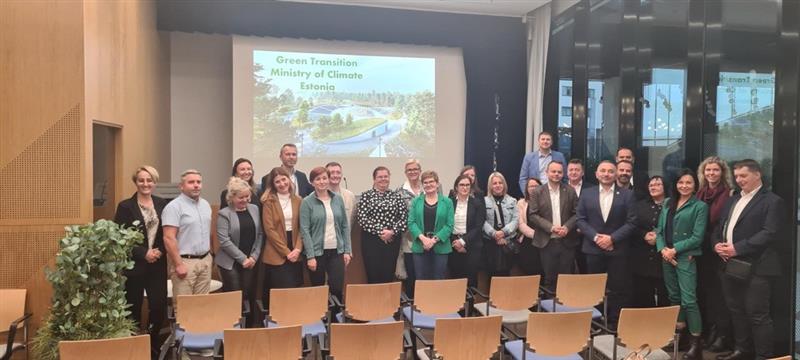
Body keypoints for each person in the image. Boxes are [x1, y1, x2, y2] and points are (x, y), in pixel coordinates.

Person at [713, 160, 785, 360]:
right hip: (729, 266)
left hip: (758, 267)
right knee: (736, 311)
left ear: (757, 174)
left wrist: (738, 248)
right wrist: (717, 244)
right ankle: (741, 351)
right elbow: (721, 227)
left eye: (743, 176)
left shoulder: (772, 201)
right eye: (736, 176)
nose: (739, 180)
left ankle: (764, 356)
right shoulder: (733, 199)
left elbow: (769, 233)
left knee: (758, 315)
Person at [113, 166, 168, 359]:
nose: (146, 184)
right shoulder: (125, 206)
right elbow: (120, 237)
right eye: (141, 180)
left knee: (159, 306)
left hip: (158, 264)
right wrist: (143, 253)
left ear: (155, 182)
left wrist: (158, 251)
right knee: (133, 307)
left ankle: (152, 343)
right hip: (135, 266)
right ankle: (134, 347)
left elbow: (166, 234)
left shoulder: (162, 204)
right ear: (135, 182)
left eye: (149, 180)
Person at [576, 161, 636, 327]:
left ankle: (614, 324)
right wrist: (596, 238)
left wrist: (612, 239)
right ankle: (595, 322)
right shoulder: (587, 194)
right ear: (596, 174)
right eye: (603, 171)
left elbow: (632, 222)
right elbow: (580, 219)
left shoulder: (627, 195)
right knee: (594, 289)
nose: (606, 174)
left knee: (618, 288)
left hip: (618, 250)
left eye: (610, 171)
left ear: (615, 174)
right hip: (592, 249)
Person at [656, 170, 708, 360]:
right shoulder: (669, 203)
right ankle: (680, 338)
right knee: (674, 297)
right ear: (676, 184)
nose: (684, 186)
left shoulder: (700, 206)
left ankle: (696, 345)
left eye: (689, 182)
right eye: (681, 182)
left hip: (685, 258)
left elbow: (697, 237)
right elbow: (659, 230)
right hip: (666, 258)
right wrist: (662, 249)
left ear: (695, 185)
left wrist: (674, 249)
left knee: (689, 300)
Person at [695, 156, 734, 352]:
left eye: (715, 170)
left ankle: (722, 334)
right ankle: (710, 330)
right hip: (700, 251)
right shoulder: (700, 193)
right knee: (705, 294)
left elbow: (722, 223)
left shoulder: (729, 194)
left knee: (720, 296)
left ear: (722, 172)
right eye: (708, 170)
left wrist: (716, 243)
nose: (711, 173)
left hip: (717, 251)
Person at [215, 177, 263, 326]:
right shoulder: (224, 214)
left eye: (247, 196)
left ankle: (246, 332)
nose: (245, 200)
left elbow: (260, 234)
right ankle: (232, 332)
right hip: (230, 263)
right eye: (241, 197)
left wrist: (254, 257)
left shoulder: (254, 209)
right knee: (235, 299)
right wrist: (243, 259)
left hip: (250, 261)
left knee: (248, 296)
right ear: (232, 197)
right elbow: (224, 241)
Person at [300, 167, 352, 300]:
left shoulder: (338, 199)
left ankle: (335, 319)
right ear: (312, 183)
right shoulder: (307, 202)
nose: (322, 182)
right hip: (317, 253)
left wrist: (347, 250)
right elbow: (305, 230)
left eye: (324, 178)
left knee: (336, 288)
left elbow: (345, 226)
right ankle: (320, 319)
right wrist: (310, 256)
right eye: (318, 179)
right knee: (318, 290)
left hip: (337, 251)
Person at [528, 161, 579, 292]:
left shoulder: (570, 191)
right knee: (549, 279)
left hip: (566, 241)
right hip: (547, 241)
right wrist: (551, 227)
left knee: (566, 279)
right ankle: (549, 310)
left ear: (563, 174)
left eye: (559, 172)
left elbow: (577, 214)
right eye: (553, 171)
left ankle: (565, 309)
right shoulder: (537, 192)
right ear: (546, 173)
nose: (556, 174)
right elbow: (532, 215)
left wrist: (567, 227)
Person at [162, 169, 213, 299]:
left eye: (198, 182)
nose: (196, 185)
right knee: (184, 309)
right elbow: (168, 238)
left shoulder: (206, 205)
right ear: (181, 186)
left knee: (202, 306)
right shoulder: (173, 207)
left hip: (205, 261)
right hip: (185, 262)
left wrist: (210, 257)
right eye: (191, 182)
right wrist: (178, 264)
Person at [357, 166, 408, 284]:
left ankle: (387, 302)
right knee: (373, 274)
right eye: (380, 177)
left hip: (392, 240)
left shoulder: (396, 196)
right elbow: (362, 218)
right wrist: (380, 231)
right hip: (371, 241)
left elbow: (404, 218)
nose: (383, 179)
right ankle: (374, 302)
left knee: (388, 273)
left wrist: (391, 232)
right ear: (374, 179)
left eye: (386, 176)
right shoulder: (366, 195)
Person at [261, 167, 304, 293]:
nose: (282, 184)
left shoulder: (298, 200)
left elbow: (303, 227)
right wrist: (286, 252)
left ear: (289, 180)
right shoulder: (269, 201)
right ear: (273, 185)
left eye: (284, 179)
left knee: (295, 290)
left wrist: (297, 249)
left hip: (296, 250)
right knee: (282, 292)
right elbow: (269, 230)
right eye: (277, 181)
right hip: (277, 251)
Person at [630, 176, 670, 308]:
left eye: (658, 184)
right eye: (651, 185)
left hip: (664, 257)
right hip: (642, 257)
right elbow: (632, 226)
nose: (654, 187)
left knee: (665, 295)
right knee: (643, 295)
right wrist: (644, 235)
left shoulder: (672, 205)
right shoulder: (640, 206)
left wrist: (659, 238)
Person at [408, 171, 454, 280]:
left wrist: (433, 241)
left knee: (439, 279)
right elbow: (411, 222)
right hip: (420, 246)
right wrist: (424, 239)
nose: (428, 184)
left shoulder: (447, 202)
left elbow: (449, 225)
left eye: (431, 181)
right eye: (425, 182)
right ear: (422, 185)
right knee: (421, 279)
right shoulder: (416, 201)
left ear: (437, 184)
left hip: (440, 247)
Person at [447, 174, 486, 286]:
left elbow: (478, 227)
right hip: (453, 245)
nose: (465, 188)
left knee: (471, 279)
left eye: (467, 185)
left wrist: (463, 242)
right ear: (456, 187)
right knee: (455, 280)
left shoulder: (478, 204)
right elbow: (446, 224)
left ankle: (471, 304)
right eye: (462, 185)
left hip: (472, 246)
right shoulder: (449, 203)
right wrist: (456, 242)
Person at [483, 172, 519, 278]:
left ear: (504, 185)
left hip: (507, 243)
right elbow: (482, 221)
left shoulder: (512, 201)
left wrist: (503, 232)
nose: (498, 185)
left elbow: (516, 220)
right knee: (491, 275)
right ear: (490, 186)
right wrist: (494, 234)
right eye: (494, 183)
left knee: (506, 275)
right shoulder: (484, 201)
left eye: (500, 183)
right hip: (490, 243)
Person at [397, 160, 423, 295]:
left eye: (415, 169)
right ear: (405, 173)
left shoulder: (429, 187)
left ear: (420, 171)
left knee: (425, 277)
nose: (413, 172)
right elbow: (400, 217)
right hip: (409, 240)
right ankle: (411, 310)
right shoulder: (400, 191)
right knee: (411, 276)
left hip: (429, 241)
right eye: (409, 170)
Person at [516, 177, 543, 276]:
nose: (533, 188)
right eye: (531, 186)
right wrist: (535, 235)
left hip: (545, 240)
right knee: (530, 270)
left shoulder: (546, 202)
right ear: (526, 188)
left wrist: (542, 235)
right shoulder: (521, 203)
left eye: (536, 186)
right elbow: (521, 224)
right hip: (528, 241)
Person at [326, 162, 356, 227]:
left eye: (338, 173)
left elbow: (352, 220)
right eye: (332, 173)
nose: (335, 175)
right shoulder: (318, 196)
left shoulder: (350, 196)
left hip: (345, 236)